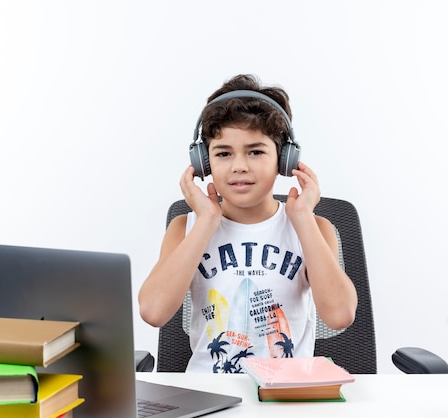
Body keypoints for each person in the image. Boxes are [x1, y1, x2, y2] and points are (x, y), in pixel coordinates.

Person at [138, 74, 357, 373]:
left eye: (255, 151)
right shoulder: (184, 228)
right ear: (205, 163)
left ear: (284, 160)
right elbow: (153, 312)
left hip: (286, 398)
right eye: (224, 153)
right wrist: (207, 221)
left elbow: (340, 315)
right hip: (210, 395)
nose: (239, 165)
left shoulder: (314, 228)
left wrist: (303, 218)